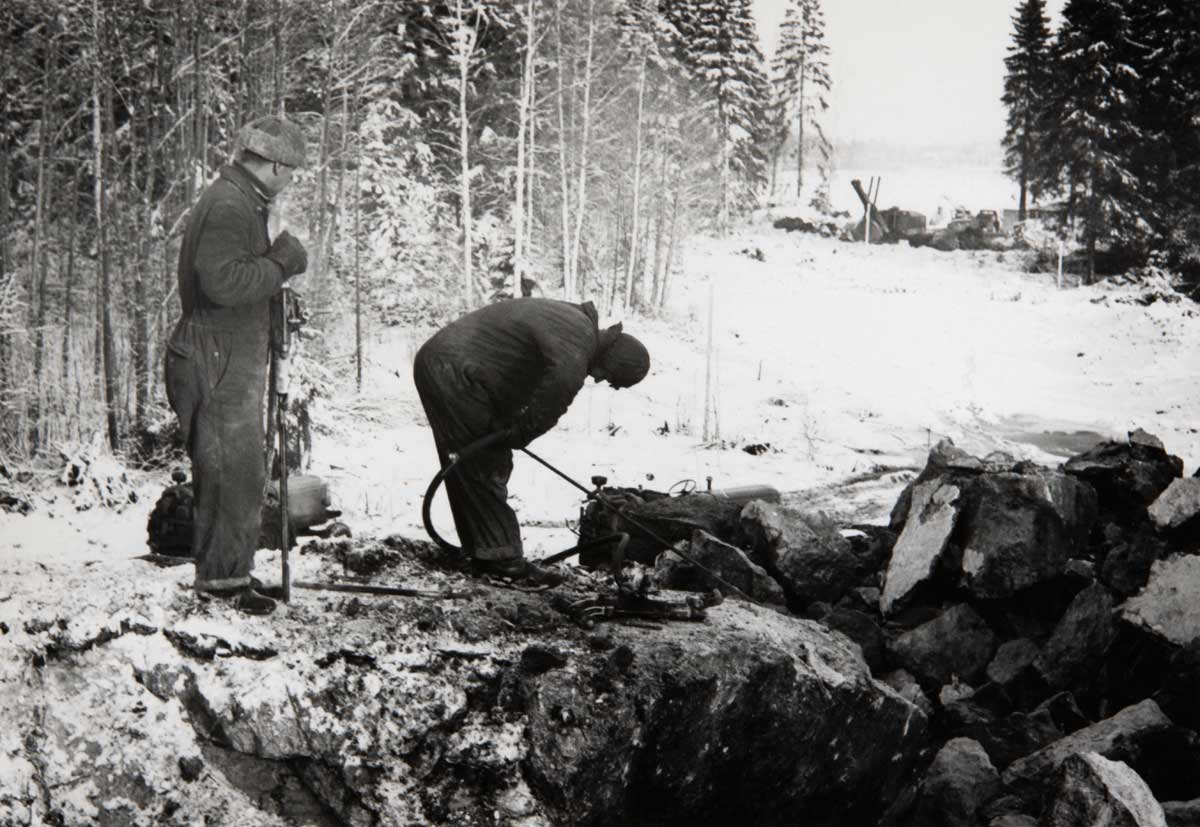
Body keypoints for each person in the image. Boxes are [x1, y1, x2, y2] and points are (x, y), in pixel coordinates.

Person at [163, 116, 310, 615]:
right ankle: (222, 586)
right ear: (272, 165)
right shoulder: (229, 205)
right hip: (218, 355)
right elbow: (223, 283)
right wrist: (284, 260)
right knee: (229, 470)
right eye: (290, 171)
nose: (291, 180)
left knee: (240, 470)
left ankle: (229, 572)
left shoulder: (241, 200)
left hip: (226, 352)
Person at [414, 298, 650, 585]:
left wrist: (510, 424)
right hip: (454, 370)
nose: (599, 379)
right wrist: (521, 432)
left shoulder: (575, 327)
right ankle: (502, 561)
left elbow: (514, 366)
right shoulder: (577, 340)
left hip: (454, 366)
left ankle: (486, 552)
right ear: (613, 360)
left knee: (475, 462)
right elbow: (557, 390)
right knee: (483, 462)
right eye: (608, 376)